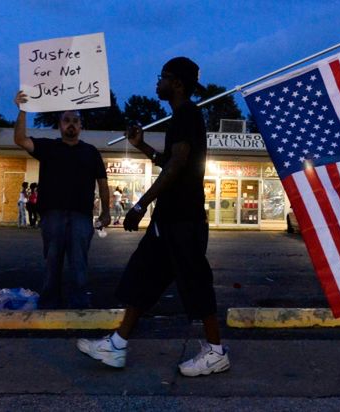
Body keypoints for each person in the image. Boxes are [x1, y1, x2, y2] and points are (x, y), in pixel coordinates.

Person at [77, 57, 229, 376]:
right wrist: (141, 145)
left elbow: (177, 165)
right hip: (169, 220)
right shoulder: (180, 118)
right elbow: (170, 160)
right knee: (142, 277)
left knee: (196, 283)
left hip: (183, 220)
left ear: (176, 83)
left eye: (162, 77)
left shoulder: (187, 113)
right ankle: (117, 344)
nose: (157, 82)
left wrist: (140, 204)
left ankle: (216, 351)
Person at [13, 91, 111, 309]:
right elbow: (20, 139)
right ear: (59, 125)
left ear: (81, 126)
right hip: (52, 214)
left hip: (81, 216)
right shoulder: (48, 147)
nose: (71, 124)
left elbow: (103, 183)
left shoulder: (91, 152)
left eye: (76, 121)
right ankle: (49, 303)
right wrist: (22, 110)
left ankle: (79, 305)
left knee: (79, 264)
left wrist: (106, 211)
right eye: (67, 120)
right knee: (52, 262)